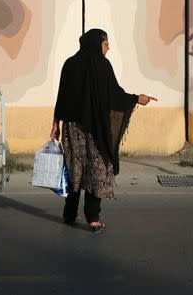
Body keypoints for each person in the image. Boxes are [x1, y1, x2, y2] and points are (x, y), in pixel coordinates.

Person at [50, 28, 157, 233]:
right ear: (97, 43)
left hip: (71, 129)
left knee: (75, 169)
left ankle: (70, 214)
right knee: (97, 168)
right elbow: (114, 96)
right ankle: (93, 217)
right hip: (96, 129)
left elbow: (61, 97)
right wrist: (136, 99)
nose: (108, 48)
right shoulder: (102, 65)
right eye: (106, 43)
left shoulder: (70, 64)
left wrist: (55, 124)